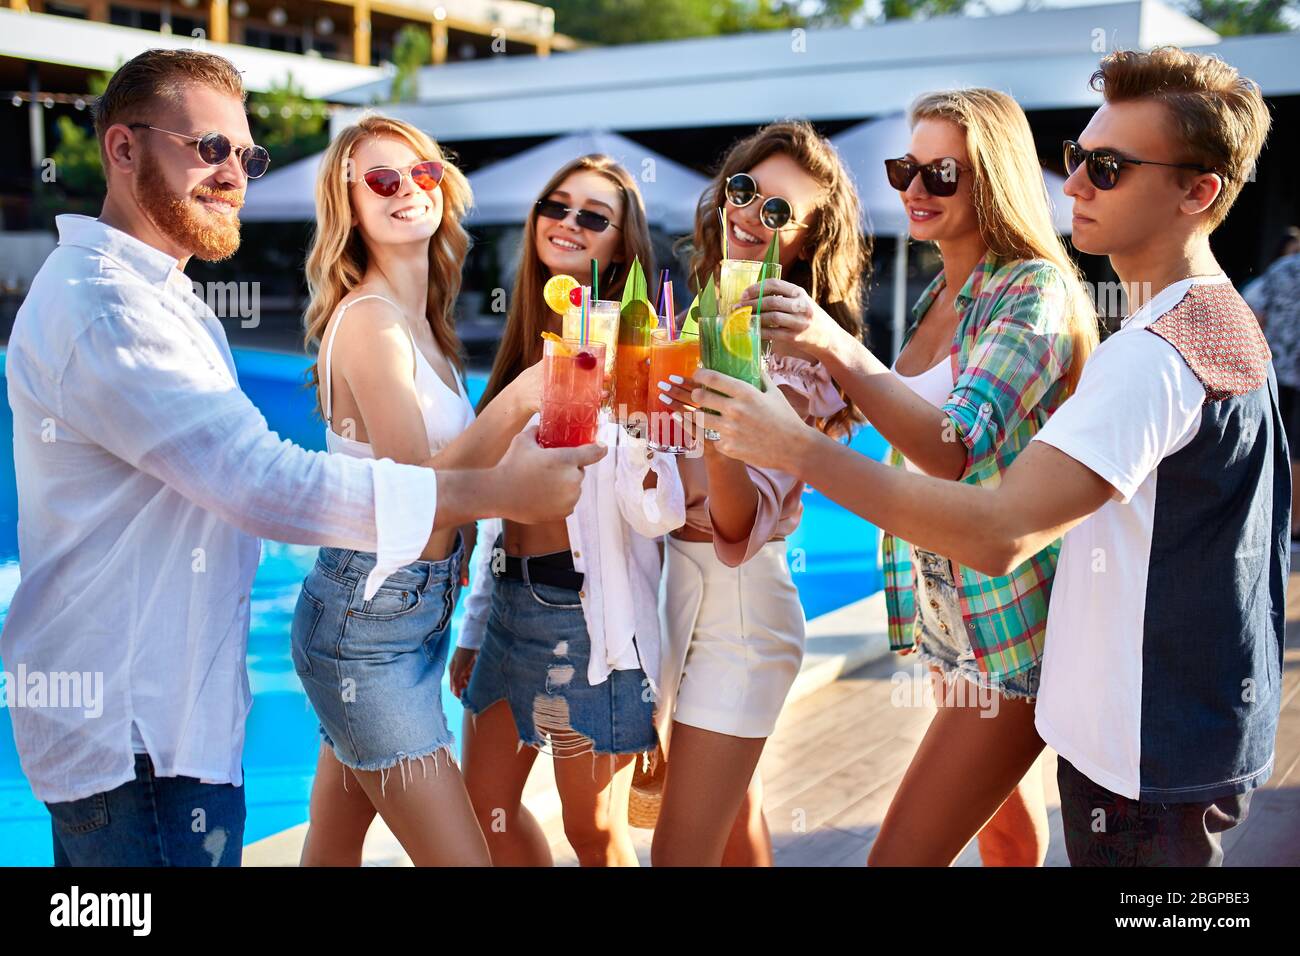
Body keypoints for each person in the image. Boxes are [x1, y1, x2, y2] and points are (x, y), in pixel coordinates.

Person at [0, 49, 601, 868]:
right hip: (143, 731)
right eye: (207, 147)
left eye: (245, 154)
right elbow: (260, 482)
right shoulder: (106, 308)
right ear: (123, 148)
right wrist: (503, 470)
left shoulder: (167, 299)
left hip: (195, 707)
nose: (232, 171)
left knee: (331, 846)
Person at [687, 46, 1286, 867]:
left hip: (1034, 647)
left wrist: (814, 387)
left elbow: (971, 481)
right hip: (974, 625)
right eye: (907, 168)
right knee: (1007, 832)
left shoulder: (1119, 330)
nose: (1073, 183)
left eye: (1104, 167)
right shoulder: (961, 295)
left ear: (1198, 191)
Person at [729, 90, 1098, 866]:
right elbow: (898, 426)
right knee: (1003, 828)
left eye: (941, 174)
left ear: (993, 182)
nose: (914, 191)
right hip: (946, 609)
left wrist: (836, 349)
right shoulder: (940, 292)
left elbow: (953, 448)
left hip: (1012, 625)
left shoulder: (1034, 290)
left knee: (897, 856)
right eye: (905, 170)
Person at [289, 115, 551, 867]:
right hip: (366, 626)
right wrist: (517, 405)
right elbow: (421, 506)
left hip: (401, 615)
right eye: (382, 179)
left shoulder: (421, 322)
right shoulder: (371, 324)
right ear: (349, 204)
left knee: (333, 844)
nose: (408, 189)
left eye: (423, 173)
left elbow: (449, 483)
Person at [454, 155, 685, 866]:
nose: (569, 223)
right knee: (482, 813)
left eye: (594, 216)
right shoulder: (529, 344)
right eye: (557, 207)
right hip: (510, 610)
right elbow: (498, 507)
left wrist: (630, 417)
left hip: (591, 624)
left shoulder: (643, 348)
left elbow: (661, 516)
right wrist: (476, 624)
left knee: (593, 832)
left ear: (621, 245)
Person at [651, 121, 870, 866]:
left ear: (805, 245)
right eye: (744, 191)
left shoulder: (795, 352)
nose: (749, 213)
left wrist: (721, 408)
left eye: (779, 213)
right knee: (736, 829)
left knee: (679, 853)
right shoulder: (688, 309)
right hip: (676, 593)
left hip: (739, 610)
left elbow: (735, 523)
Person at [1247, 228, 1300, 539]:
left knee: (1276, 442)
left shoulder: (1282, 269)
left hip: (1277, 370)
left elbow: (1252, 309)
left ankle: (1280, 516)